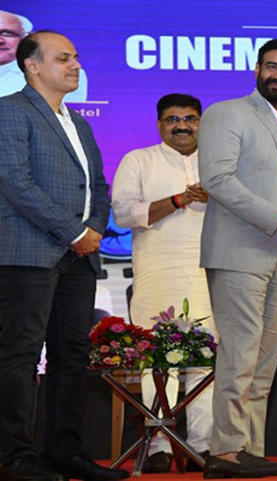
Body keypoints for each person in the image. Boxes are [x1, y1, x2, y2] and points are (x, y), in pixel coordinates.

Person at [0, 31, 126, 481]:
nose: (75, 65)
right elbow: (14, 181)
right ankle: (16, 457)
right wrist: (75, 232)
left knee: (72, 355)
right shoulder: (10, 111)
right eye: (63, 58)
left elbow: (99, 186)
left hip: (79, 256)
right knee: (20, 355)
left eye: (76, 58)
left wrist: (94, 230)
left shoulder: (80, 123)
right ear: (32, 66)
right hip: (28, 253)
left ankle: (64, 451)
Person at [198, 38, 277, 478]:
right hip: (239, 250)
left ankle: (250, 449)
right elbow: (216, 179)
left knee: (264, 360)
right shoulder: (227, 113)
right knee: (240, 354)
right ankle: (225, 451)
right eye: (273, 66)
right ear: (257, 69)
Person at [112, 93, 214, 473]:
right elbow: (124, 213)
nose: (181, 126)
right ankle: (159, 445)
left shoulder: (217, 164)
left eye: (189, 119)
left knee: (205, 359)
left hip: (209, 272)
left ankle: (203, 446)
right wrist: (178, 200)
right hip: (157, 272)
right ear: (159, 125)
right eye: (172, 119)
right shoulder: (139, 160)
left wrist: (216, 198)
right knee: (158, 360)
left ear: (201, 123)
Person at [0, 10, 87, 101]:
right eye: (63, 59)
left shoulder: (68, 74)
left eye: (7, 33)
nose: (0, 41)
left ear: (26, 37)